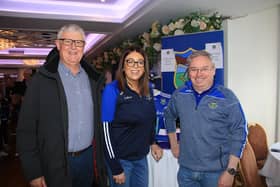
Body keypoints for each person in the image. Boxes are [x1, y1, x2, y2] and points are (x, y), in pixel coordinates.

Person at [16, 24, 107, 187]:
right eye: (68, 42)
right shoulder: (42, 81)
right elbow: (26, 130)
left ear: (84, 47)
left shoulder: (93, 80)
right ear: (58, 45)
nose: (74, 47)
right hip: (55, 162)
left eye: (78, 43)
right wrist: (34, 172)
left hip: (87, 160)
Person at [164, 50, 247, 187]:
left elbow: (239, 132)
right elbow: (168, 116)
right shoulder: (179, 94)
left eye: (204, 69)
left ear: (213, 70)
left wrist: (230, 171)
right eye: (194, 69)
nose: (198, 74)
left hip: (216, 173)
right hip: (186, 171)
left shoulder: (227, 97)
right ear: (188, 72)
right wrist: (174, 145)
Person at [101, 46, 160, 187]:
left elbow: (150, 120)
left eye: (140, 62)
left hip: (141, 159)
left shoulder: (148, 90)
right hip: (121, 161)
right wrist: (115, 167)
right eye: (130, 61)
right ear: (123, 67)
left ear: (144, 67)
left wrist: (153, 142)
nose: (135, 66)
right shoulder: (113, 90)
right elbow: (105, 131)